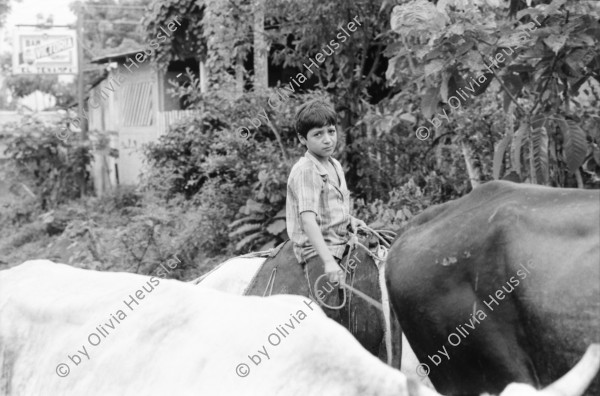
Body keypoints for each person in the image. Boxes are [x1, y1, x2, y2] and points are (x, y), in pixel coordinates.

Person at [286, 98, 367, 310]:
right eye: (317, 134)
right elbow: (308, 220)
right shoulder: (306, 170)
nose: (327, 139)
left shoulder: (335, 165)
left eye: (331, 131)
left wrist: (351, 220)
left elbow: (333, 208)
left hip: (342, 241)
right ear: (302, 139)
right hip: (317, 249)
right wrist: (329, 262)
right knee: (327, 310)